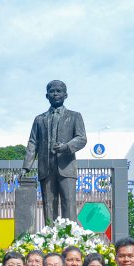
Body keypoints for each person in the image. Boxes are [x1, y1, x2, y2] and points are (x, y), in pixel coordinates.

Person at [23, 80, 88, 224]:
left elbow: (81, 138)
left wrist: (67, 146)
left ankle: (70, 234)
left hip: (66, 167)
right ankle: (49, 235)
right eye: (52, 91)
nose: (55, 94)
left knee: (68, 203)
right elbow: (33, 142)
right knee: (48, 205)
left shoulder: (75, 116)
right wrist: (26, 167)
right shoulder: (39, 119)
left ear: (65, 95)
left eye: (59, 91)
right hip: (46, 168)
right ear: (47, 95)